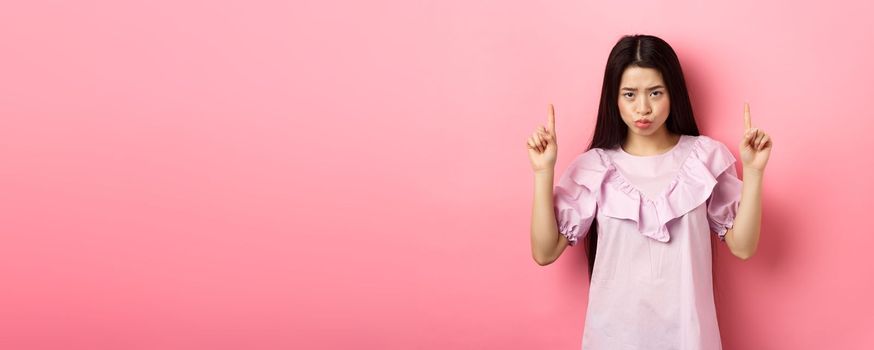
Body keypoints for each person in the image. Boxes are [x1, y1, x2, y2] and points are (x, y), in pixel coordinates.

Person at [526, 34, 772, 349]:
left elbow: (743, 246)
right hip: (613, 338)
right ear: (613, 98)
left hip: (689, 337)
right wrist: (543, 171)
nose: (643, 108)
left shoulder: (705, 158)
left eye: (655, 93)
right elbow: (545, 252)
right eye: (629, 94)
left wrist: (753, 171)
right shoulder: (594, 168)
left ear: (673, 93)